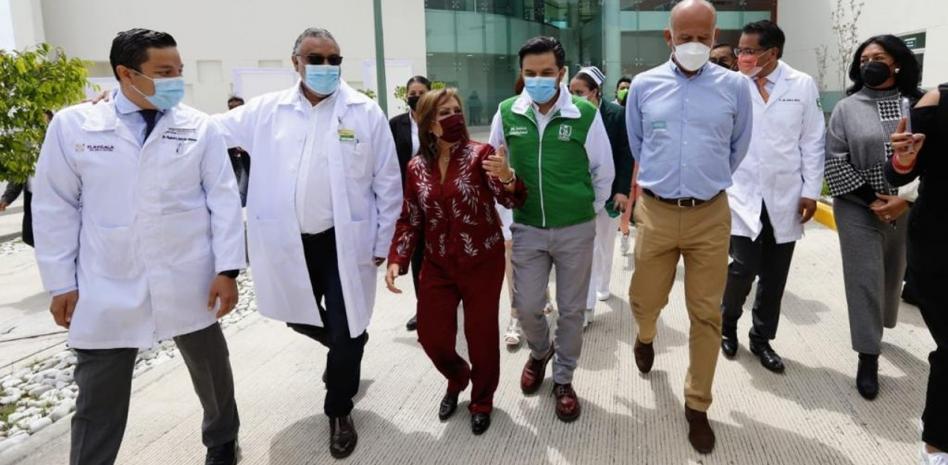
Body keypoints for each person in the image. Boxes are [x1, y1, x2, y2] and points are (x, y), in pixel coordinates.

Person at [31, 28, 245, 465]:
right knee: (98, 389)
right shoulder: (74, 126)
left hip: (188, 272)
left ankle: (223, 440)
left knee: (210, 366)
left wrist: (227, 270)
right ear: (126, 74)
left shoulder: (198, 126)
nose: (175, 80)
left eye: (178, 71)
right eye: (163, 72)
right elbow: (55, 207)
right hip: (107, 278)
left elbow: (223, 200)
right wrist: (60, 282)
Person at [214, 27, 402, 459]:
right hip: (287, 241)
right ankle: (347, 345)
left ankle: (339, 409)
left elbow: (388, 182)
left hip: (344, 241)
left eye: (334, 59)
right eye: (315, 59)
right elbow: (207, 131)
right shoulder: (267, 111)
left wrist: (383, 240)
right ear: (295, 62)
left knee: (347, 324)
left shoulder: (364, 112)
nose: (325, 67)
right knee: (295, 314)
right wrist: (125, 104)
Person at [625, 0, 752, 454]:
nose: (695, 44)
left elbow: (738, 146)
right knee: (645, 299)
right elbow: (638, 143)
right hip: (656, 212)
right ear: (669, 38)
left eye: (703, 37)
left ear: (715, 37)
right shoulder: (644, 86)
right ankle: (645, 335)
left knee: (706, 313)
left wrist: (705, 182)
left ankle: (697, 404)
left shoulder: (734, 87)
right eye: (685, 37)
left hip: (710, 215)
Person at [385, 88, 527, 435]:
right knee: (431, 335)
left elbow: (511, 200)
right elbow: (410, 217)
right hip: (437, 263)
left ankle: (482, 400)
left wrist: (507, 176)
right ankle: (458, 376)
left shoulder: (482, 154)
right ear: (428, 124)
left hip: (482, 260)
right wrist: (397, 257)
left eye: (456, 110)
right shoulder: (416, 167)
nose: (454, 118)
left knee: (481, 336)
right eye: (444, 113)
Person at [489, 36, 614, 423]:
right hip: (527, 228)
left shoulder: (583, 114)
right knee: (527, 306)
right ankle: (541, 352)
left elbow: (603, 172)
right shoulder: (507, 113)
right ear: (521, 73)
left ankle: (563, 378)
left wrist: (585, 211)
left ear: (561, 73)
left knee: (572, 311)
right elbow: (495, 169)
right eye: (530, 73)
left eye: (546, 72)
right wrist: (507, 220)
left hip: (575, 229)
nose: (538, 80)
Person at [720, 20, 825, 373]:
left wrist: (810, 191)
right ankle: (727, 323)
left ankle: (761, 338)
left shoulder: (801, 84)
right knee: (743, 267)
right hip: (740, 191)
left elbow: (813, 140)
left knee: (775, 275)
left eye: (749, 51)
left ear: (772, 53)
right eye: (740, 50)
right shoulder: (733, 84)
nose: (742, 56)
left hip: (785, 194)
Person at [824, 34, 923, 401]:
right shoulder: (847, 108)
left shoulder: (917, 104)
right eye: (864, 59)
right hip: (856, 205)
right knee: (864, 278)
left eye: (878, 58)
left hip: (906, 205)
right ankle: (868, 357)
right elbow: (834, 161)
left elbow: (933, 160)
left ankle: (879, 326)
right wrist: (871, 200)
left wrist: (904, 201)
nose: (870, 64)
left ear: (897, 63)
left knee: (892, 275)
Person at [887, 85, 948, 465]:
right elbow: (897, 171)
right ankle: (937, 443)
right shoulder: (939, 102)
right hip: (940, 246)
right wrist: (903, 159)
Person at [569, 66, 635, 327]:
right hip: (580, 192)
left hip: (610, 191)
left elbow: (626, 154)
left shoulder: (616, 115)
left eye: (580, 92)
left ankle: (603, 285)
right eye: (571, 91)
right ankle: (586, 300)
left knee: (605, 242)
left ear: (595, 91)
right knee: (586, 246)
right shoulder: (570, 114)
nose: (574, 97)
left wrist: (622, 191)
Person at [389, 75, 431, 332]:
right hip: (409, 199)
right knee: (418, 255)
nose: (416, 97)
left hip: (437, 198)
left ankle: (448, 299)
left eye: (421, 92)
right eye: (412, 93)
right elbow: (387, 160)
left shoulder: (438, 120)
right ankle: (423, 308)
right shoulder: (396, 124)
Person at [0, 110, 53, 247]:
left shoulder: (57, 143)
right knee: (31, 236)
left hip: (53, 198)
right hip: (32, 197)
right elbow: (19, 174)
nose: (38, 126)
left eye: (43, 121)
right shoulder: (26, 145)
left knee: (52, 236)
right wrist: (7, 198)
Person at [225, 96, 250, 206]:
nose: (234, 110)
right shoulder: (226, 124)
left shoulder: (249, 122)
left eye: (237, 107)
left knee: (241, 192)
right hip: (233, 164)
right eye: (231, 108)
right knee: (236, 192)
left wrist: (245, 147)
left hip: (248, 164)